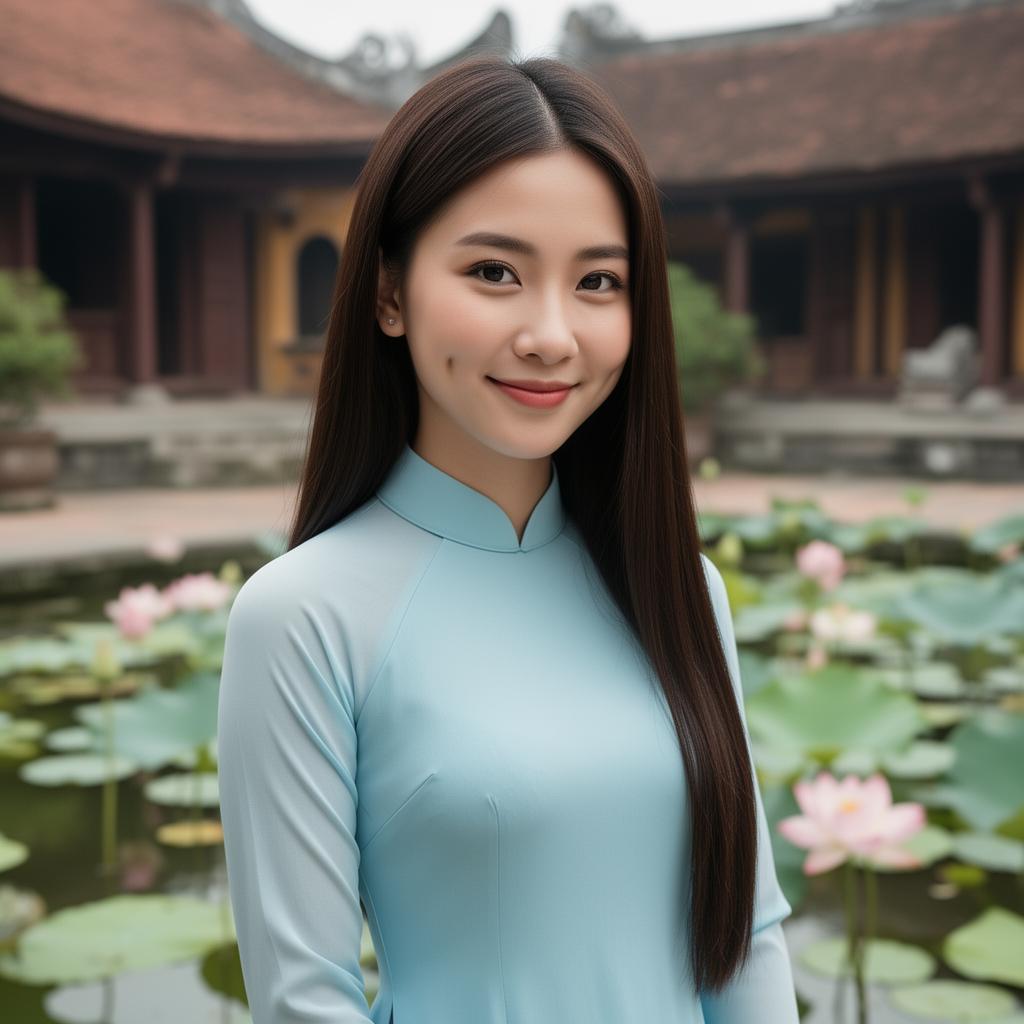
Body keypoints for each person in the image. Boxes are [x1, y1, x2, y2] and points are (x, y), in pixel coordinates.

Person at [216, 53, 800, 1024]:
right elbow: (305, 999)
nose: (550, 333)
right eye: (495, 272)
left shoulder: (679, 589)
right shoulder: (302, 617)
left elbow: (746, 935)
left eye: (598, 282)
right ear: (389, 293)